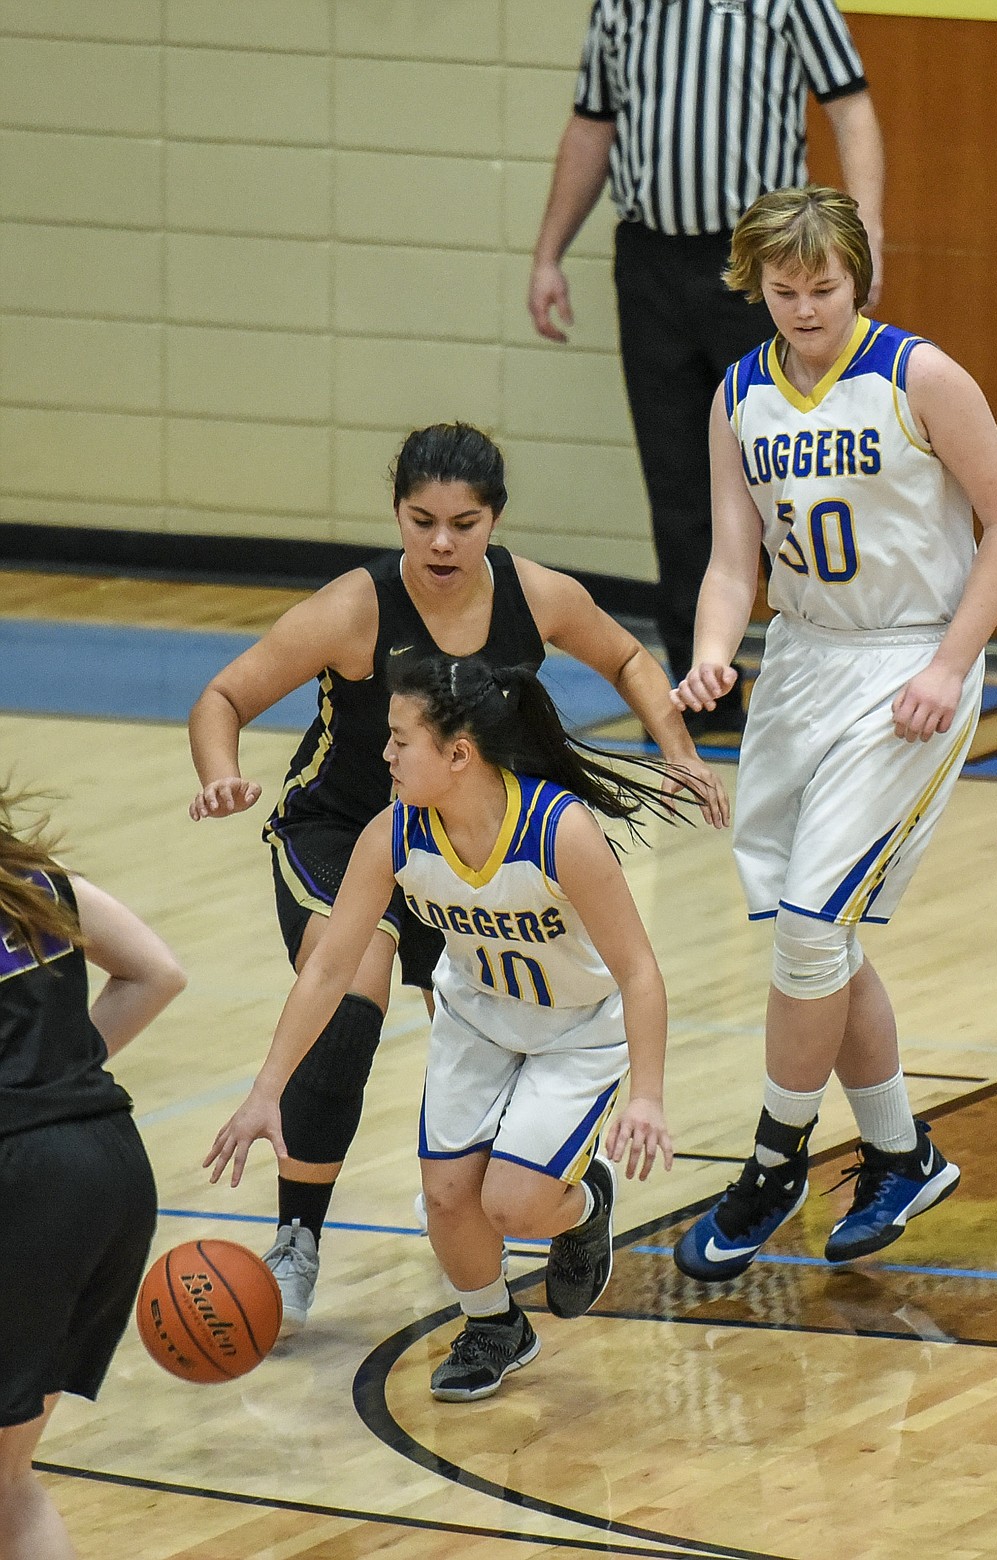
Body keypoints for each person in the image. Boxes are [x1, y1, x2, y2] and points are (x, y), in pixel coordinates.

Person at [187, 422, 726, 1332]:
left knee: (489, 1033)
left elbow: (629, 657)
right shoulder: (355, 608)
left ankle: (560, 1186)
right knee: (347, 1001)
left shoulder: (536, 595)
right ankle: (297, 1238)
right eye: (421, 519)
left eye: (464, 523)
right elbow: (223, 696)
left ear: (495, 522)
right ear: (396, 513)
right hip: (348, 829)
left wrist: (677, 749)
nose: (441, 542)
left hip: (470, 839)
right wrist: (219, 774)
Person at [671, 185, 997, 1280]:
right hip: (803, 666)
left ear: (857, 278)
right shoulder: (740, 394)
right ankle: (899, 1151)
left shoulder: (918, 376)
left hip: (907, 664)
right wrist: (712, 649)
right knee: (823, 936)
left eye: (823, 288)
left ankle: (775, 1160)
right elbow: (735, 558)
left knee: (808, 920)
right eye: (784, 292)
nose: (805, 309)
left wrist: (948, 665)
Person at [206, 654, 680, 1401]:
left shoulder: (559, 831)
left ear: (458, 755)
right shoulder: (392, 835)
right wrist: (267, 1090)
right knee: (450, 1199)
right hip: (476, 1020)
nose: (384, 754)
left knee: (514, 1205)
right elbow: (330, 969)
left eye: (400, 740)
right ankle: (494, 1325)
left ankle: (587, 1202)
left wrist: (647, 1096)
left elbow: (641, 972)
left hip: (576, 1029)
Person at [528, 0, 884, 731]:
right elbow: (592, 124)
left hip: (757, 263)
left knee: (799, 470)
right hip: (650, 260)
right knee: (678, 482)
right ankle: (705, 687)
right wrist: (548, 254)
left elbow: (850, 108)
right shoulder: (620, 7)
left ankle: (836, 667)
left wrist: (864, 236)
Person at [0, 789, 185, 1560]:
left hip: (26, 1183)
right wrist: (62, 1077)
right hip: (110, 1166)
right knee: (8, 1481)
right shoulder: (38, 883)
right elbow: (157, 973)